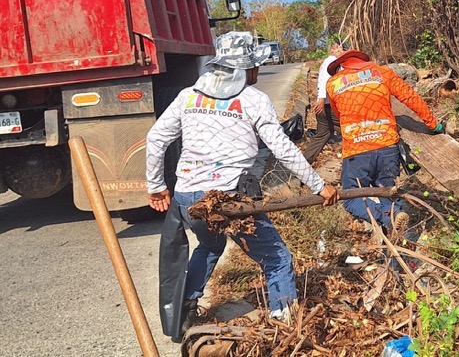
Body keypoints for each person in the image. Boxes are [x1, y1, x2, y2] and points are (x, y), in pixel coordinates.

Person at [146, 31, 338, 340]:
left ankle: (184, 308)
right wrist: (319, 185)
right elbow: (283, 148)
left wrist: (157, 186)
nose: (259, 72)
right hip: (227, 200)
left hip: (187, 198)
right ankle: (285, 326)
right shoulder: (253, 99)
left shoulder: (188, 96)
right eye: (255, 66)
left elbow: (156, 138)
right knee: (276, 258)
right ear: (245, 68)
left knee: (210, 245)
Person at [325, 49, 443, 232]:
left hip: (357, 151)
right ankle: (397, 226)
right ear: (363, 60)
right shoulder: (382, 72)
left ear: (342, 65)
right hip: (387, 147)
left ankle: (386, 219)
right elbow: (410, 97)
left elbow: (338, 113)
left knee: (350, 199)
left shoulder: (333, 83)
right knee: (388, 192)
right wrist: (433, 124)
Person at [302, 39, 346, 164]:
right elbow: (324, 81)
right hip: (329, 106)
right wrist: (321, 99)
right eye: (340, 49)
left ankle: (302, 166)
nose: (341, 51)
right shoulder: (332, 62)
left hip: (325, 107)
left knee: (322, 135)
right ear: (334, 48)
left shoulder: (332, 62)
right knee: (350, 131)